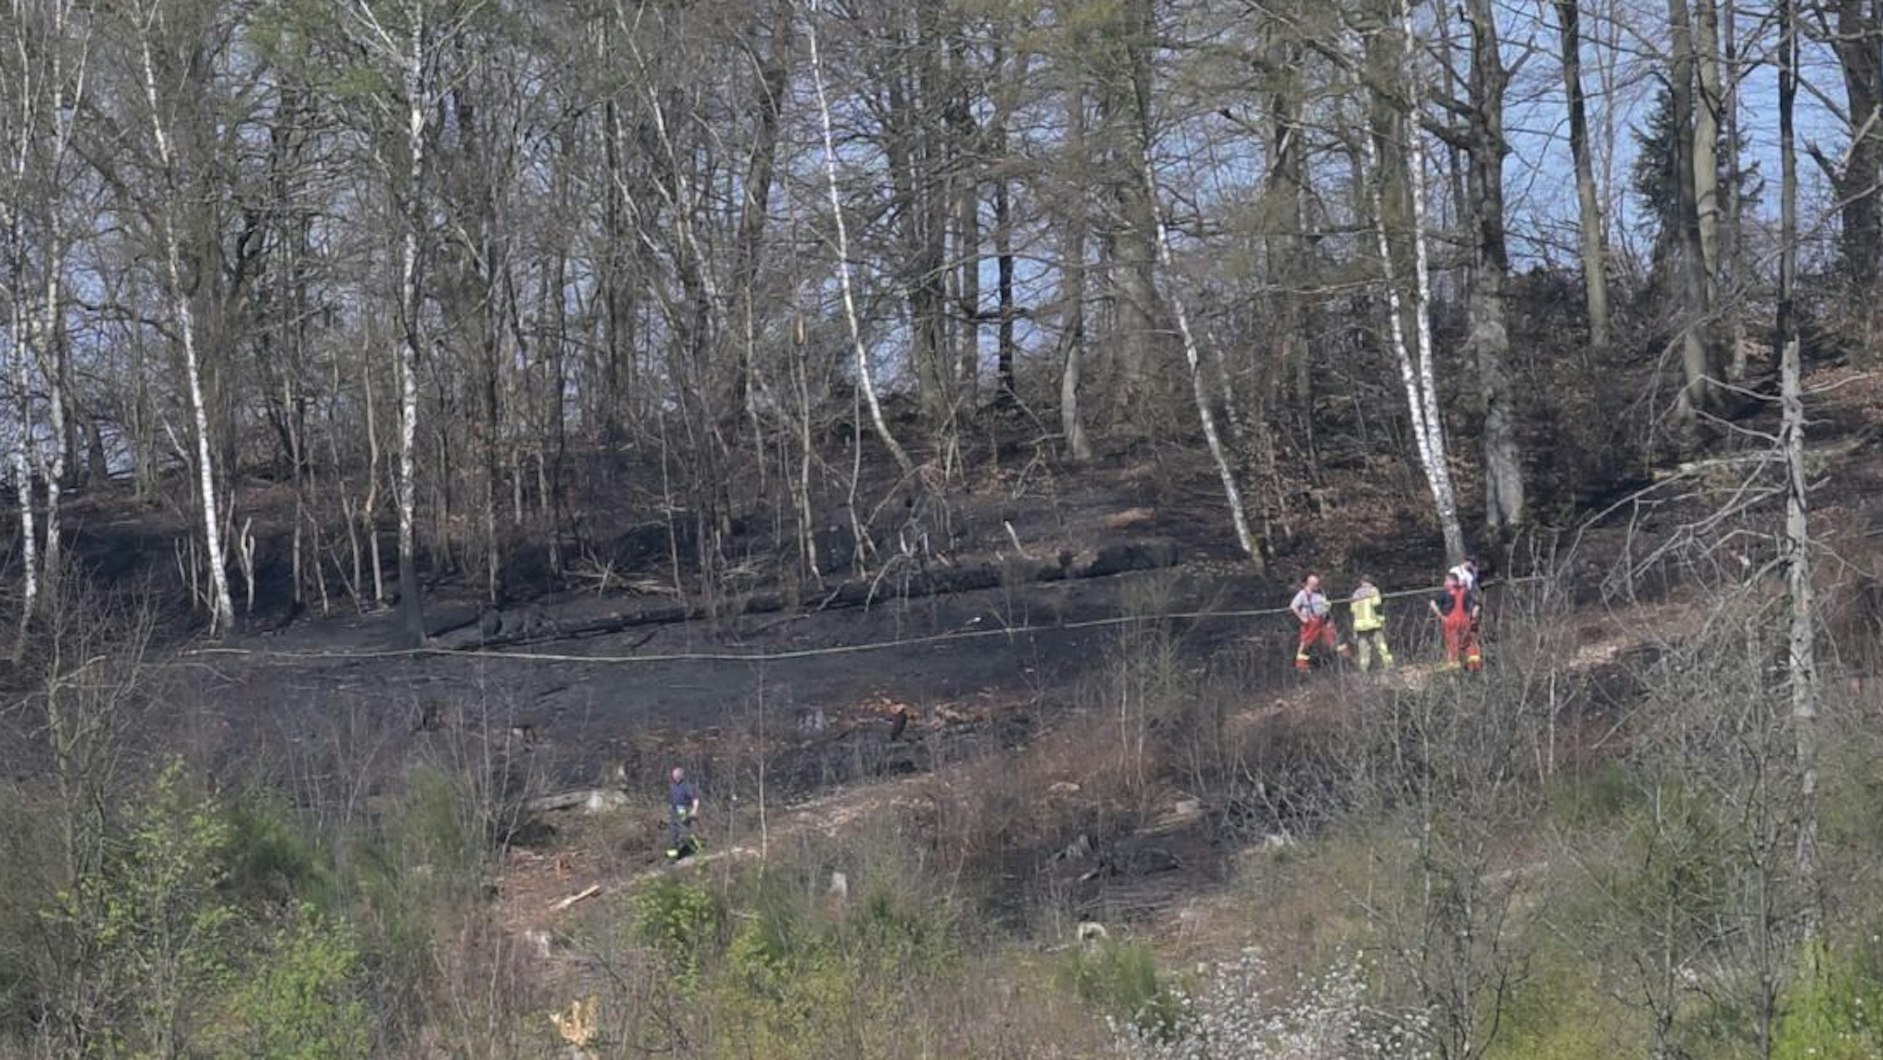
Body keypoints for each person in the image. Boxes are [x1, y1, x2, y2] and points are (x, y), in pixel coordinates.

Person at [1429, 573, 1482, 672]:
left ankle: (1455, 668)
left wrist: (1440, 616)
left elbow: (1432, 603)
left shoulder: (1447, 593)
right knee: (1469, 644)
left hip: (1452, 622)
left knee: (1453, 645)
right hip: (1464, 622)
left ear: (1454, 581)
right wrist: (1474, 616)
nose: (1445, 583)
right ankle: (1474, 667)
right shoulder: (1465, 591)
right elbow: (1476, 605)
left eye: (1447, 580)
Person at [1290, 573, 1336, 672]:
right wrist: (1302, 617)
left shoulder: (1319, 595)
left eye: (1317, 584)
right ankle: (1301, 665)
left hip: (1321, 622)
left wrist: (1326, 609)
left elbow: (1324, 608)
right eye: (1314, 584)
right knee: (1305, 643)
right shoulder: (1302, 594)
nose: (1317, 586)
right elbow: (1293, 606)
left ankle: (1338, 661)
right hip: (1309, 623)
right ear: (1309, 584)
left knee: (1331, 639)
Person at [1347, 576, 1394, 672]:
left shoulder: (1355, 593)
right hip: (1373, 623)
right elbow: (1377, 604)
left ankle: (1364, 670)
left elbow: (1352, 610)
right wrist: (1382, 619)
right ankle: (1389, 666)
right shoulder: (1373, 590)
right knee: (1381, 645)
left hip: (1360, 625)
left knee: (1363, 650)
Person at [666, 766, 700, 860]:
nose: (675, 777)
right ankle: (672, 858)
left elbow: (695, 799)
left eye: (677, 775)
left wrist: (694, 810)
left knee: (684, 832)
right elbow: (671, 800)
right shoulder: (672, 786)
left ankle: (693, 849)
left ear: (682, 776)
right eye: (674, 775)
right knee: (672, 835)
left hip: (683, 810)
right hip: (673, 811)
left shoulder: (687, 786)